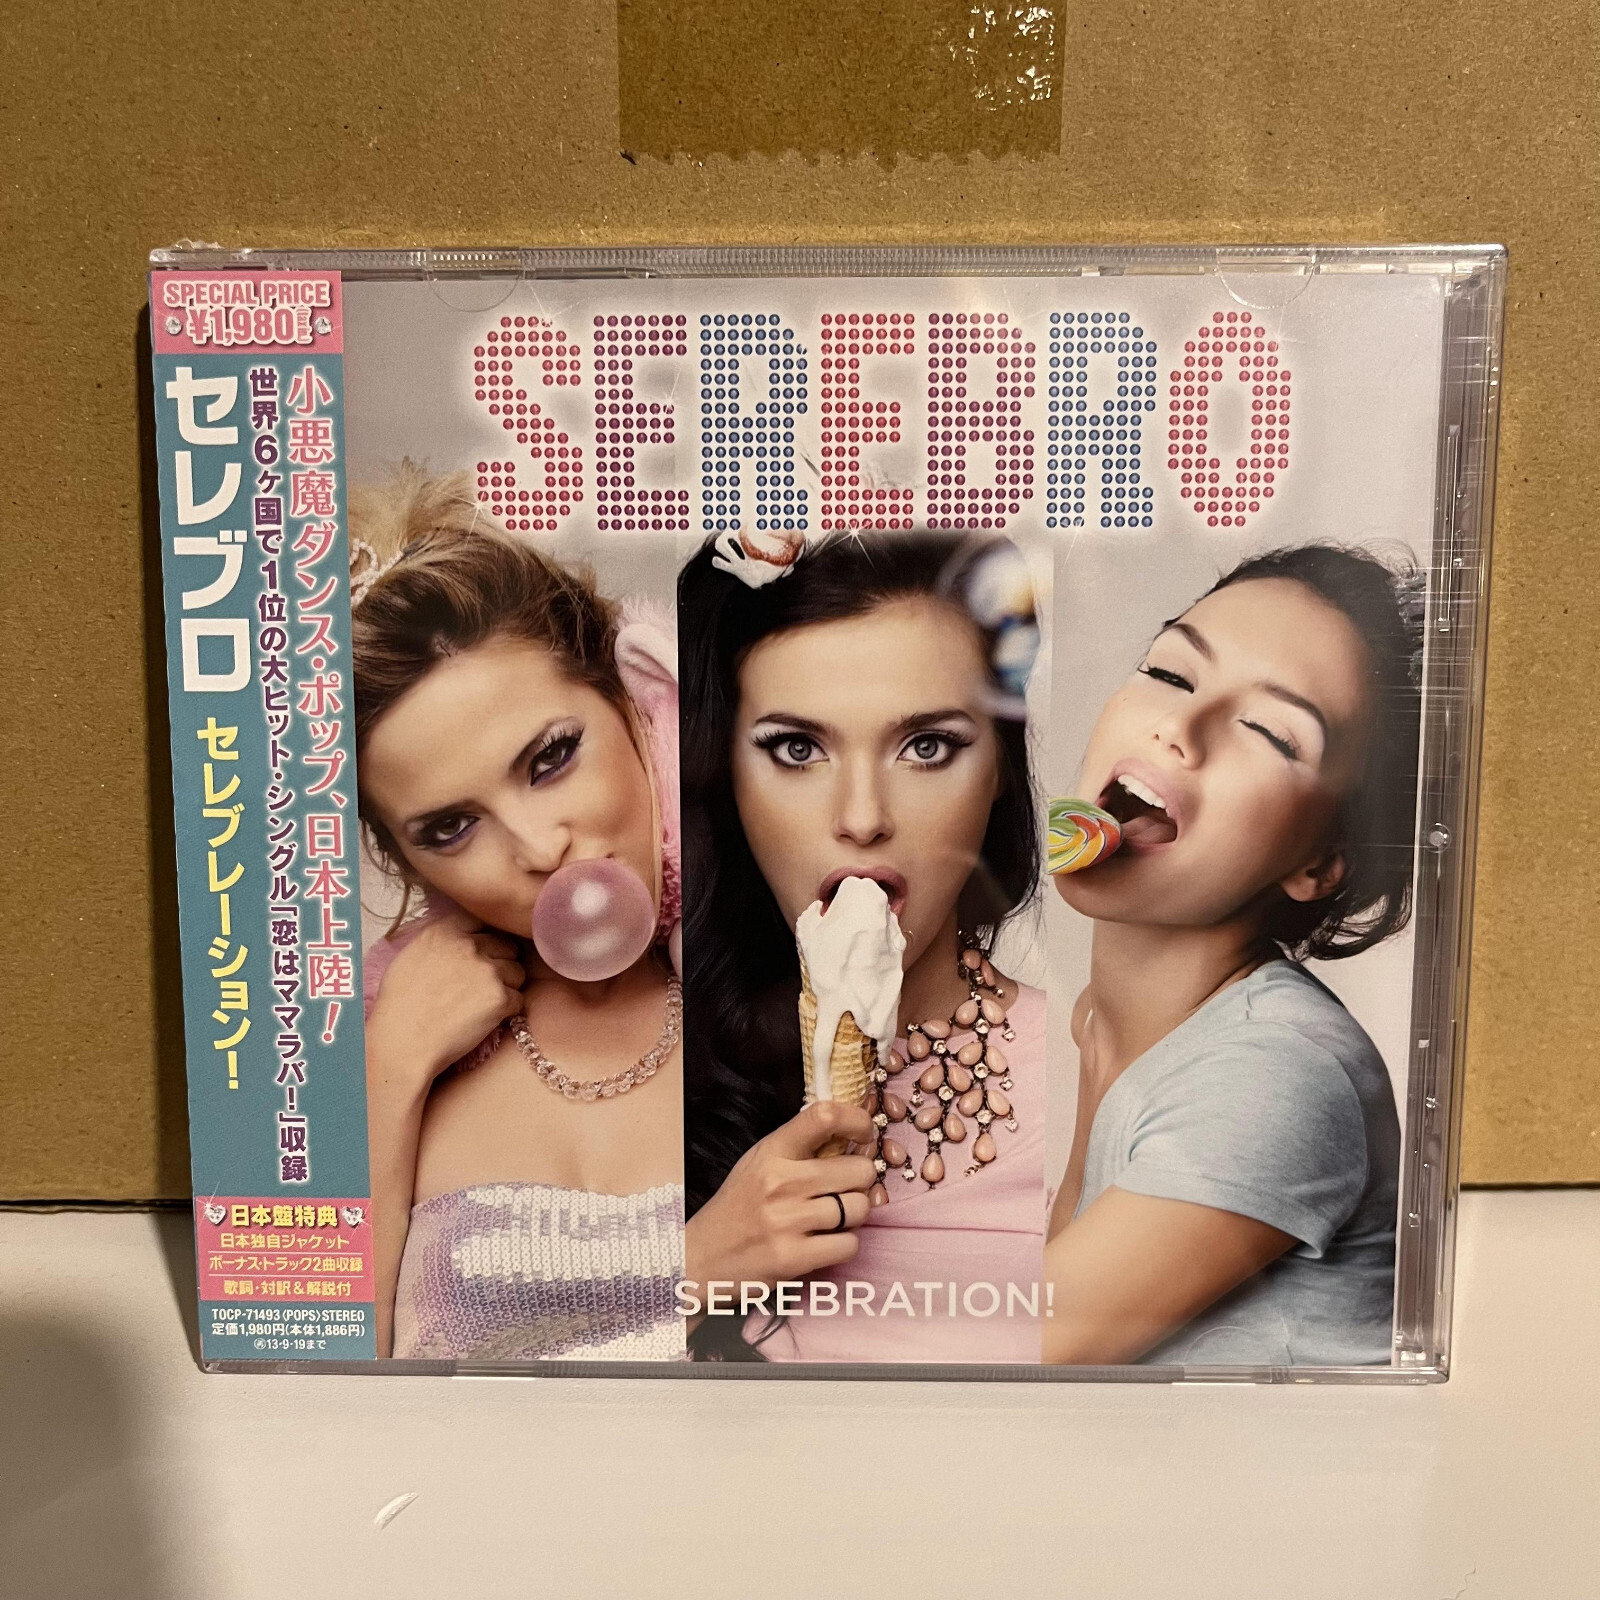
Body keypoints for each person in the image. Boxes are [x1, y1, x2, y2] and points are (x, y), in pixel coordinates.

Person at [1044, 544, 1423, 1366]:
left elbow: (1012, 1357)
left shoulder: (1275, 1071)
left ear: (1319, 860)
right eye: (1170, 674)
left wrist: (731, 1272)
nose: (1178, 728)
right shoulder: (1100, 1021)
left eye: (1268, 731)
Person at [678, 530, 1046, 1362]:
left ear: (999, 769)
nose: (861, 817)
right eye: (797, 749)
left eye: (927, 747)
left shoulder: (1084, 1076)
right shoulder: (661, 1058)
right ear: (727, 779)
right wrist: (696, 1268)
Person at [351, 465, 685, 1361]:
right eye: (451, 827)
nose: (538, 848)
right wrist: (391, 1069)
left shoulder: (799, 986)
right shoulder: (385, 1055)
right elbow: (299, 1384)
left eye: (551, 759)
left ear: (638, 706)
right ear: (404, 860)